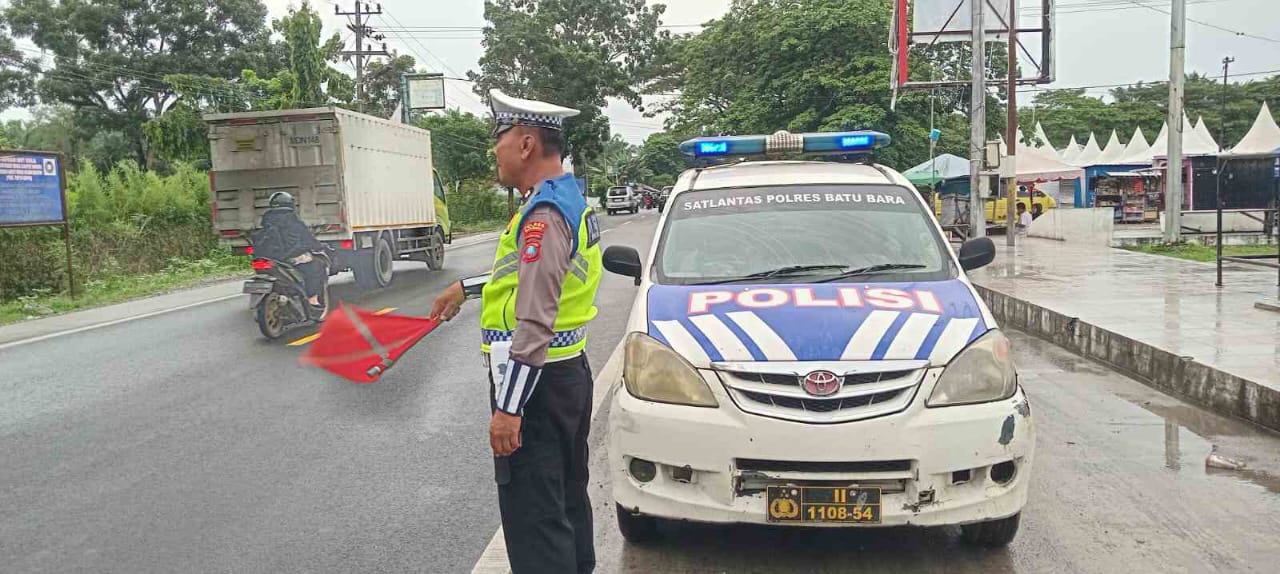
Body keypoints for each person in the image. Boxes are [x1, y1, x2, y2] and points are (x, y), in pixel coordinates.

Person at [430, 90, 603, 574]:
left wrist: (509, 409)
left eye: (499, 138)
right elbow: (543, 276)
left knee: (535, 518)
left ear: (526, 144)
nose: (494, 149)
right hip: (567, 377)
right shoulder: (568, 199)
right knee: (567, 499)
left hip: (536, 385)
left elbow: (534, 322)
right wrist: (467, 287)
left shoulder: (543, 216)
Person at [257, 192, 329, 317]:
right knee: (317, 266)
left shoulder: (265, 220)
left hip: (267, 258)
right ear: (290, 204)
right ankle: (312, 300)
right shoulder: (293, 220)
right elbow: (308, 240)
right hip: (289, 257)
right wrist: (321, 246)